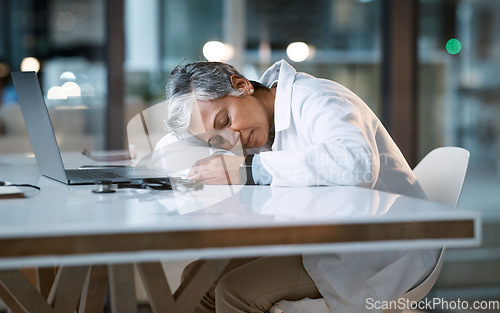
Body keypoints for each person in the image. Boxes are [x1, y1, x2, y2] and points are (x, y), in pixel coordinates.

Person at [164, 59, 439, 313]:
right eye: (216, 139)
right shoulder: (264, 128)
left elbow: (356, 165)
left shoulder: (318, 98)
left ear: (241, 85)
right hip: (325, 236)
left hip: (380, 248)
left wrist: (249, 170)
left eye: (224, 121)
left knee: (233, 291)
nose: (230, 138)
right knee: (197, 280)